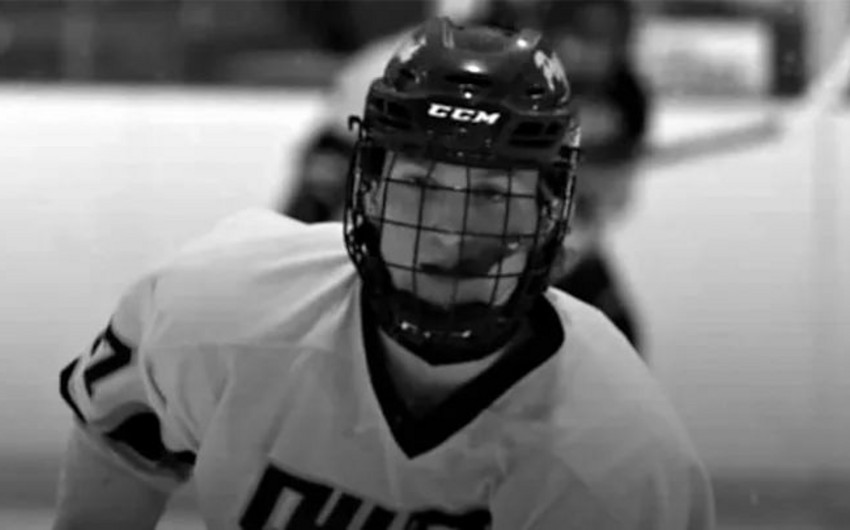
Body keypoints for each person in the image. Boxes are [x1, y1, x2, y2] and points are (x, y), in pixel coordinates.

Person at [55, 17, 715, 530]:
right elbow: (122, 438)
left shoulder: (620, 458)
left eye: (492, 194)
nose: (451, 233)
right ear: (366, 190)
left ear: (550, 220)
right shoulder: (217, 312)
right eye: (421, 184)